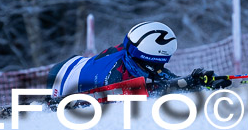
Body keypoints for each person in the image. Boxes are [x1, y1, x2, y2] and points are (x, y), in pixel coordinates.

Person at [48, 21, 231, 98]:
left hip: (73, 64)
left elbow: (160, 78)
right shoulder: (117, 78)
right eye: (160, 62)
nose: (163, 65)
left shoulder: (128, 50)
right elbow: (153, 89)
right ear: (150, 58)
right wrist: (188, 84)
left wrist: (194, 80)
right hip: (60, 81)